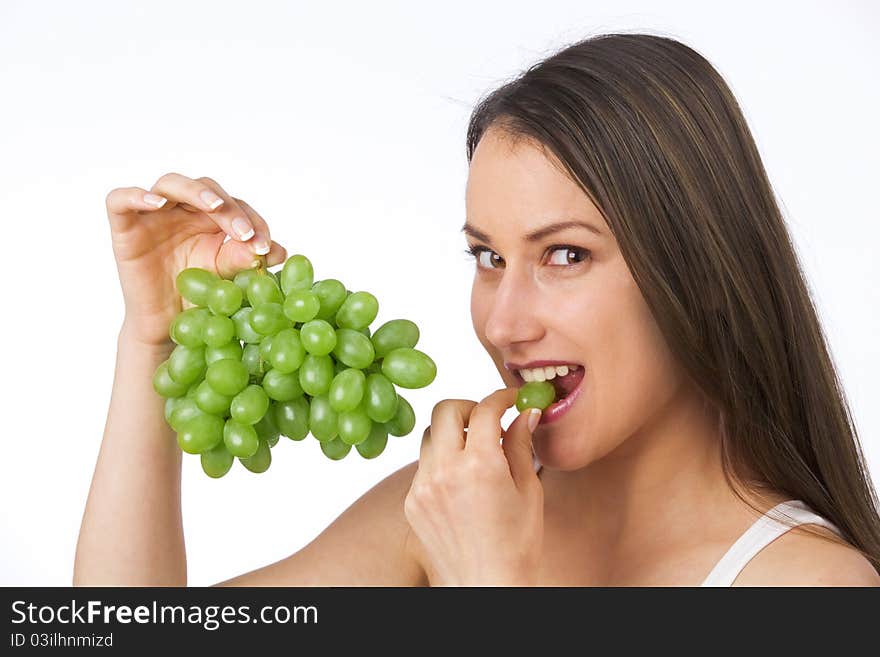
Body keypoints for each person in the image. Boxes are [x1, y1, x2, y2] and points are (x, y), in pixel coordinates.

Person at [74, 32, 880, 586]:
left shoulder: (812, 586)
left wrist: (492, 584)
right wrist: (152, 338)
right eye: (489, 257)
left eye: (566, 254)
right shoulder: (444, 510)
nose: (503, 322)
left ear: (697, 270)